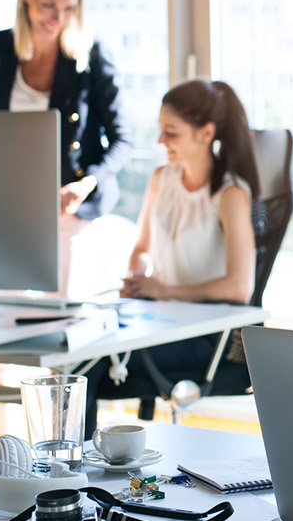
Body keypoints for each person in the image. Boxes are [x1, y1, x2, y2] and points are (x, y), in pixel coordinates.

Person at [84, 79, 260, 437]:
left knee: (88, 368)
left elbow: (240, 287)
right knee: (79, 351)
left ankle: (70, 477)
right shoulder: (162, 178)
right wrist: (136, 279)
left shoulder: (230, 194)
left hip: (209, 335)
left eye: (171, 132)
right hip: (160, 321)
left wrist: (163, 290)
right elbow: (140, 249)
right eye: (161, 130)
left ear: (205, 133)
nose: (161, 141)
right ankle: (68, 473)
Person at [0, 0, 129, 294]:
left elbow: (122, 140)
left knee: (59, 304)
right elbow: (2, 130)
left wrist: (86, 185)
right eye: (48, 5)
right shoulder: (2, 47)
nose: (59, 18)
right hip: (20, 196)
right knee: (6, 299)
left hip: (74, 198)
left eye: (69, 8)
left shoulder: (91, 56)